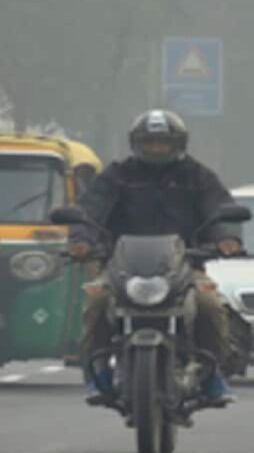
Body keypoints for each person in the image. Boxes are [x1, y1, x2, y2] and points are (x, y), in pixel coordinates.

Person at [68, 109, 243, 405]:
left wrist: (227, 237)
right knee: (97, 301)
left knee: (209, 304)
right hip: (121, 267)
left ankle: (213, 375)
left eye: (163, 143)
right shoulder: (117, 175)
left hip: (184, 265)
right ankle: (98, 374)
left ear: (178, 143)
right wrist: (82, 239)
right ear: (136, 143)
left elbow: (219, 206)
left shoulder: (197, 176)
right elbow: (90, 208)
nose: (156, 149)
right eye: (149, 143)